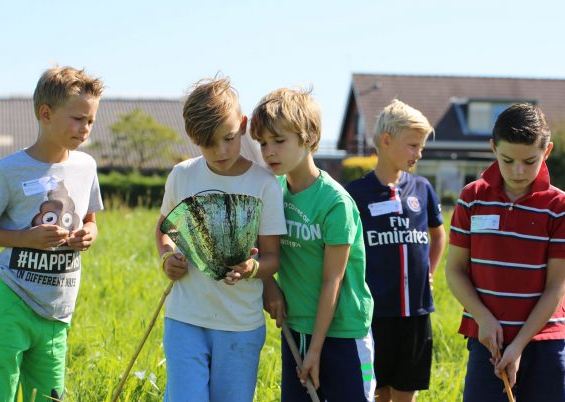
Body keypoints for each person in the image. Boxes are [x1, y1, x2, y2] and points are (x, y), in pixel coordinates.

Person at [0, 66, 104, 401]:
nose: (86, 129)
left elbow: (90, 219)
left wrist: (89, 234)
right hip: (11, 299)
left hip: (57, 310)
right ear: (46, 114)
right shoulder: (11, 169)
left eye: (91, 121)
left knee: (47, 396)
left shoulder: (86, 168)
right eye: (78, 118)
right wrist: (26, 238)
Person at [154, 76, 286, 402]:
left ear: (242, 125)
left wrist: (251, 268)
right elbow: (164, 228)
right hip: (185, 318)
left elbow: (273, 258)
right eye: (208, 143)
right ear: (193, 138)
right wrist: (167, 256)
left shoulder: (264, 184)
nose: (220, 151)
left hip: (240, 324)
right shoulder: (182, 175)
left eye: (228, 138)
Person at [445, 103, 565, 401]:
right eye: (507, 160)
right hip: (487, 338)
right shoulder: (471, 198)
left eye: (529, 161)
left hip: (545, 341)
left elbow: (556, 286)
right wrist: (483, 318)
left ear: (547, 152)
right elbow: (454, 270)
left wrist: (519, 344)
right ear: (493, 147)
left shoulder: (562, 207)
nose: (518, 171)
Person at [250, 87, 376, 402]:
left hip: (342, 332)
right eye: (263, 143)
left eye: (279, 141)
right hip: (296, 327)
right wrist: (269, 285)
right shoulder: (272, 190)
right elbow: (259, 250)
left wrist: (316, 350)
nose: (269, 152)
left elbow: (332, 280)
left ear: (308, 137)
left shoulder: (334, 202)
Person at [345, 99, 446, 402]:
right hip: (376, 313)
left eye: (421, 147)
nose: (419, 154)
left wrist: (429, 272)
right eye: (413, 145)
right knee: (378, 391)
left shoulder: (422, 189)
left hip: (415, 312)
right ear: (386, 141)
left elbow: (438, 236)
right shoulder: (356, 194)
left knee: (406, 390)